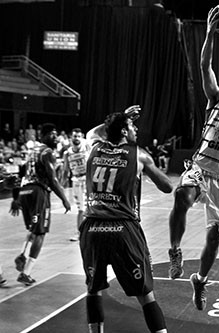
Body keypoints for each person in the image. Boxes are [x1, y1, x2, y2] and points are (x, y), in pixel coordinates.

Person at [167, 6, 219, 312]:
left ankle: (200, 280)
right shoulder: (215, 99)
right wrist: (209, 35)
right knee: (182, 194)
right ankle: (175, 250)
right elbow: (205, 66)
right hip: (201, 169)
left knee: (214, 238)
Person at [81, 106, 173, 333]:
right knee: (145, 294)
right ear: (123, 131)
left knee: (93, 289)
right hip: (123, 228)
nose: (136, 130)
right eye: (132, 126)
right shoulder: (139, 155)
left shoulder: (93, 147)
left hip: (92, 228)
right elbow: (167, 187)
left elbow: (92, 132)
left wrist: (121, 116)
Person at [9, 123, 71, 286]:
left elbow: (20, 174)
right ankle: (26, 273)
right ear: (43, 135)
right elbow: (52, 179)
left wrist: (15, 198)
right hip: (38, 192)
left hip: (24, 191)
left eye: (56, 134)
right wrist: (64, 198)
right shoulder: (47, 152)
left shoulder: (31, 151)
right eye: (52, 134)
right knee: (41, 233)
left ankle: (22, 254)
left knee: (33, 229)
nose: (55, 137)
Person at [62, 128, 92, 241]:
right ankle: (80, 232)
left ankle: (88, 231)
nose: (77, 139)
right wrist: (62, 185)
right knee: (81, 209)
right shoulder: (67, 153)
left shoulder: (87, 147)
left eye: (79, 136)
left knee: (89, 207)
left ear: (82, 137)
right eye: (75, 136)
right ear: (71, 137)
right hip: (76, 181)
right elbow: (65, 170)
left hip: (88, 179)